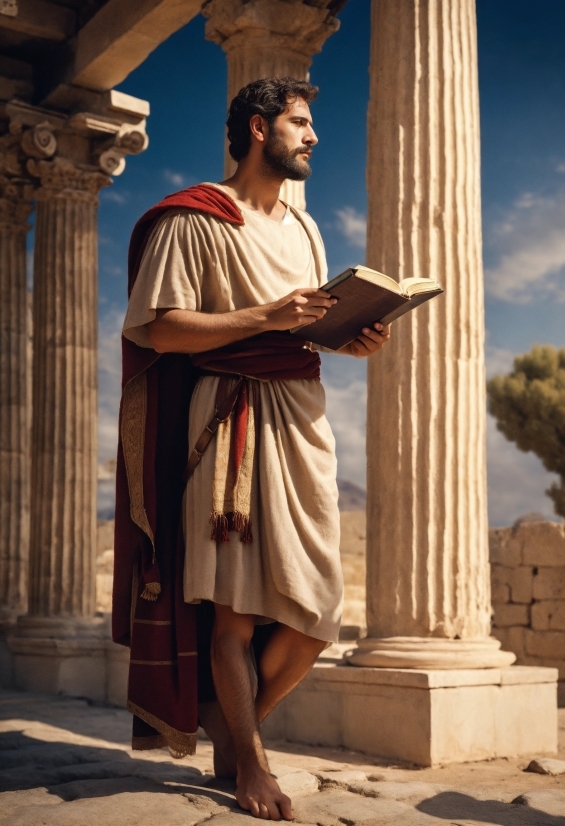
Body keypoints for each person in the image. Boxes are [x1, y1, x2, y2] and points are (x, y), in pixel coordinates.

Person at [114, 77, 390, 821]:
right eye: (302, 123)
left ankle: (232, 733)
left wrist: (349, 338)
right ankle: (249, 766)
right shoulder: (193, 219)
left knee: (315, 614)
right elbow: (160, 328)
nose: (314, 136)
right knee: (234, 614)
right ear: (260, 128)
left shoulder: (304, 230)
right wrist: (266, 316)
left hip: (304, 421)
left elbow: (301, 333)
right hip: (227, 423)